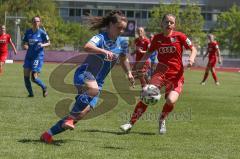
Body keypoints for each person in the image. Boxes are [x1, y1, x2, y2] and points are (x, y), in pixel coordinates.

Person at [40, 10, 135, 144]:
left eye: (123, 29)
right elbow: (87, 46)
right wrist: (104, 51)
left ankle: (47, 134)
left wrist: (129, 73)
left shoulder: (123, 42)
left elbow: (124, 58)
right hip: (85, 73)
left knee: (80, 115)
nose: (121, 31)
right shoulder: (101, 37)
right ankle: (72, 113)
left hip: (98, 82)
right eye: (119, 28)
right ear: (110, 25)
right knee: (93, 90)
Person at [120, 13, 197, 134]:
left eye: (172, 22)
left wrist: (191, 59)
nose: (169, 24)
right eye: (167, 22)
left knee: (170, 101)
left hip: (176, 76)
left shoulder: (180, 36)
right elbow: (148, 54)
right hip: (160, 74)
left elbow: (193, 49)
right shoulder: (157, 38)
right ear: (162, 23)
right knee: (147, 96)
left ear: (174, 25)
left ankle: (162, 119)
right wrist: (137, 67)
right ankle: (130, 123)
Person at [22, 16, 50, 97]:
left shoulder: (42, 32)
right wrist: (25, 46)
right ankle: (31, 94)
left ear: (40, 22)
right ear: (32, 22)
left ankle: (44, 87)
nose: (36, 23)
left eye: (37, 21)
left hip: (37, 57)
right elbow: (24, 42)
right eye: (34, 21)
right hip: (28, 56)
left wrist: (42, 44)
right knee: (26, 76)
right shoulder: (28, 32)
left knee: (33, 77)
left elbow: (49, 42)